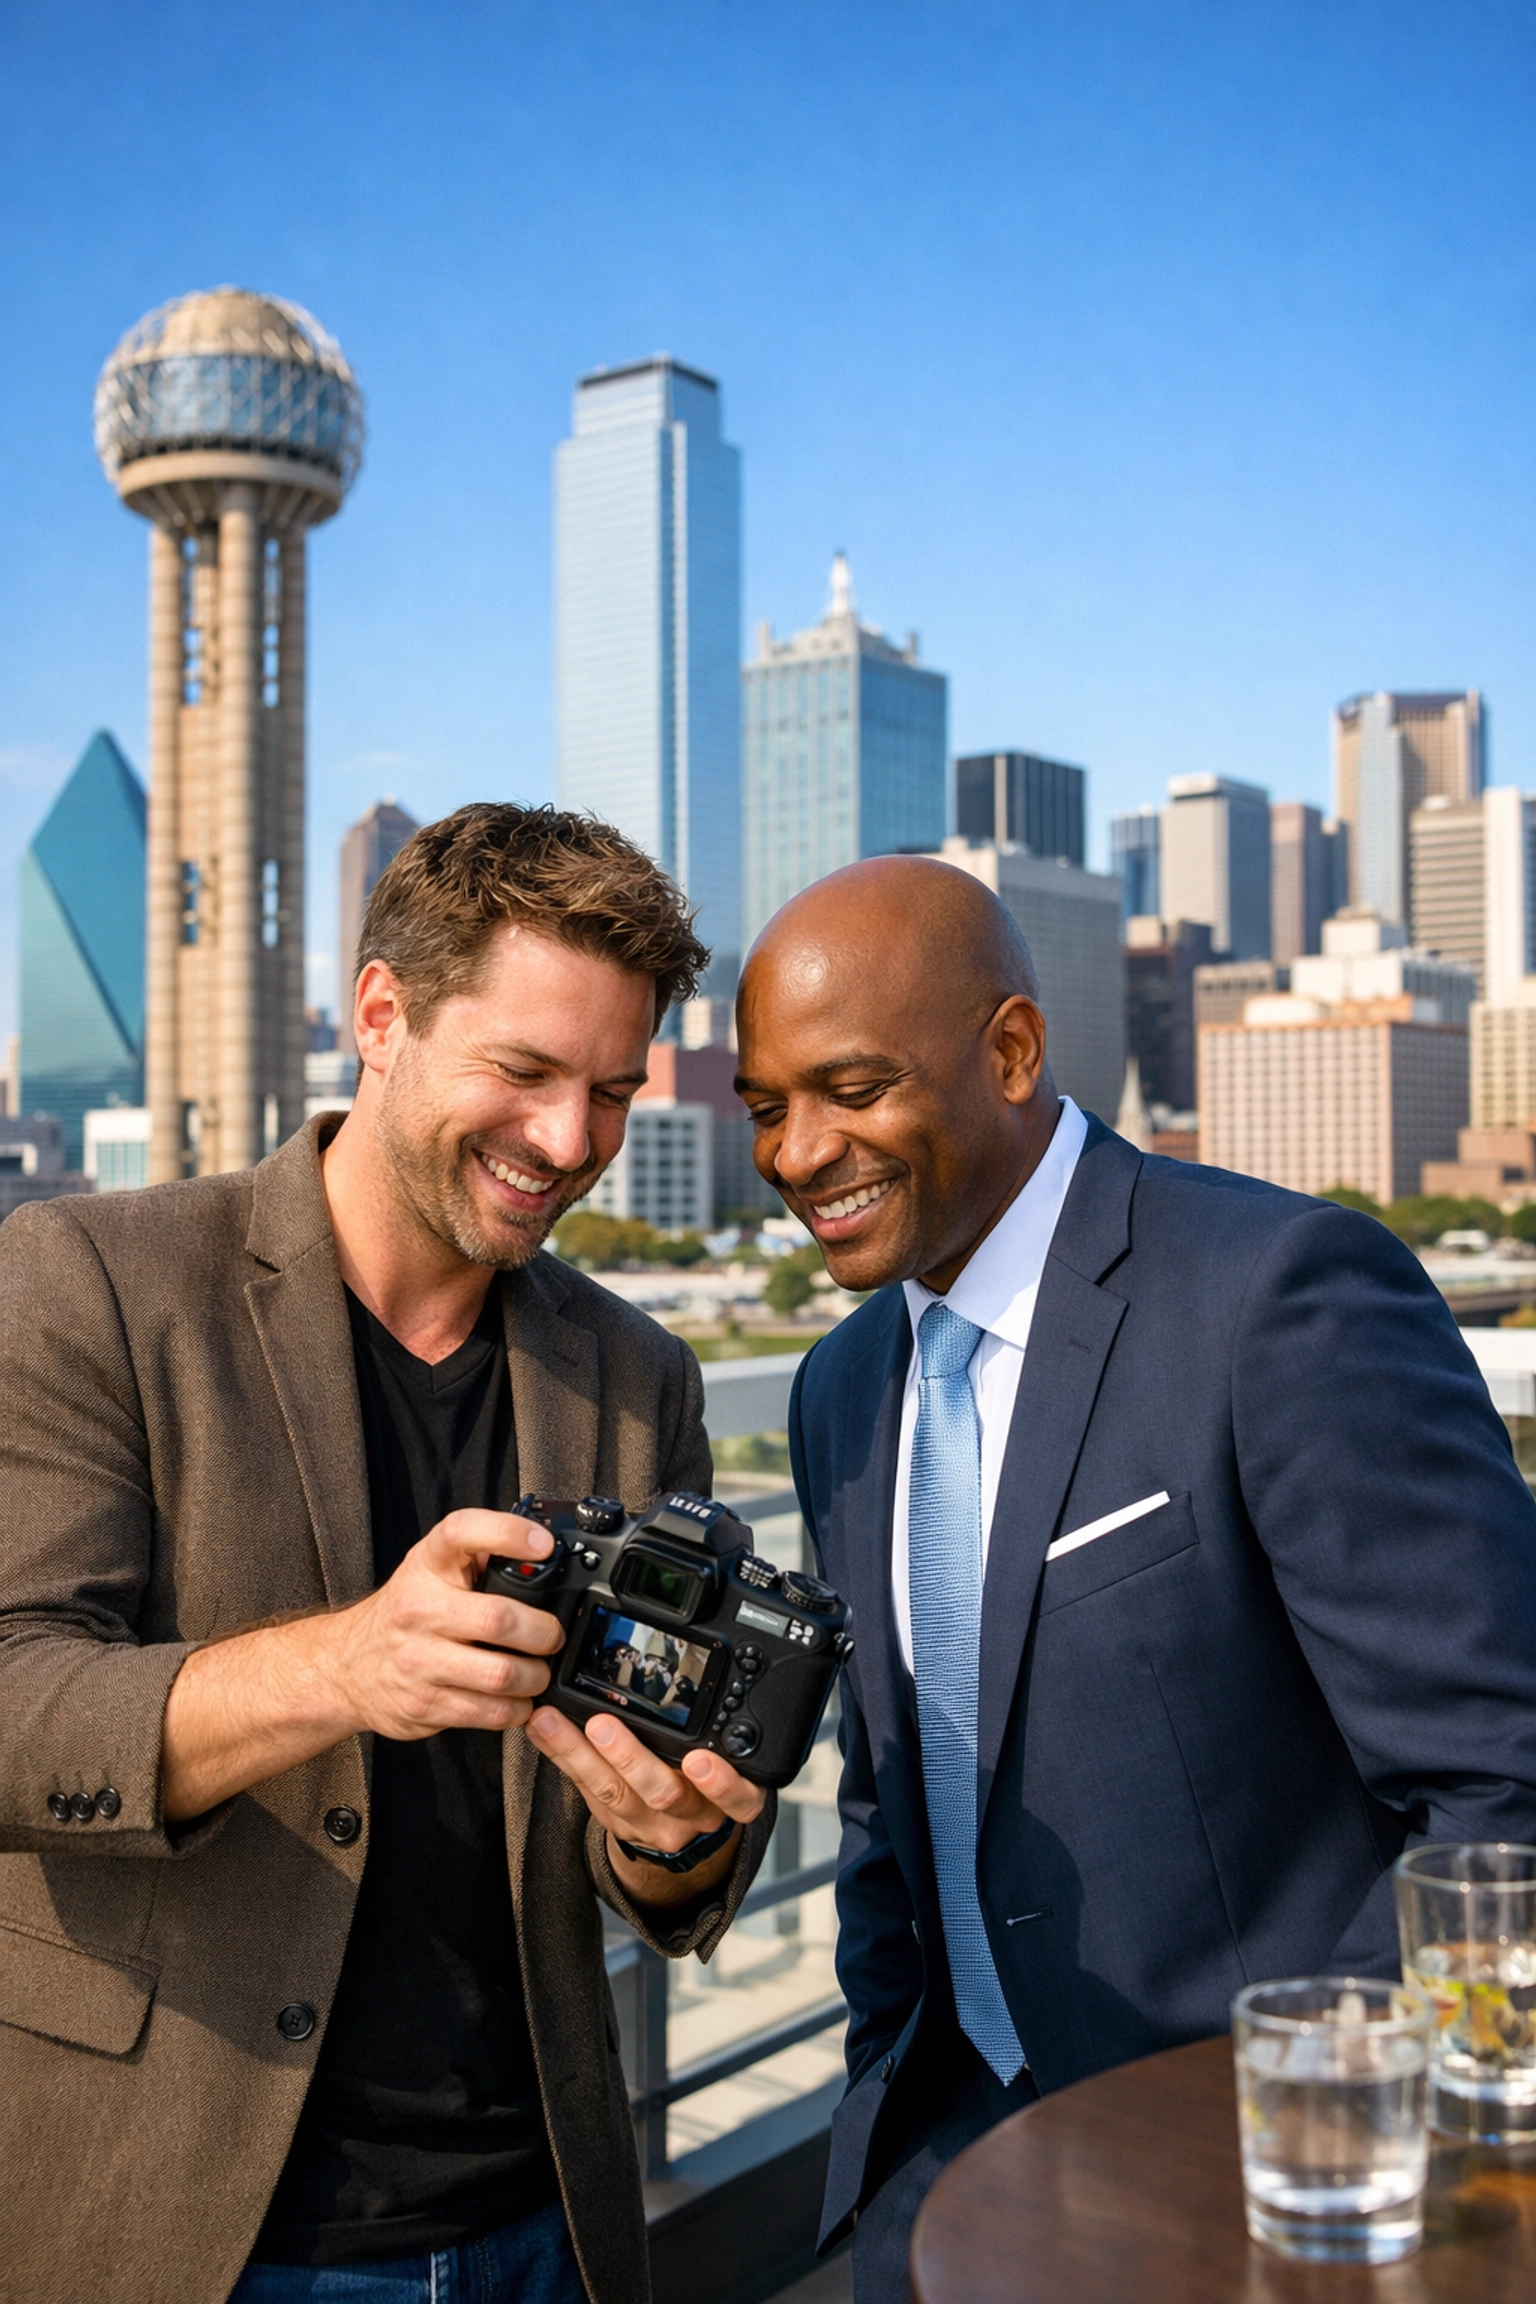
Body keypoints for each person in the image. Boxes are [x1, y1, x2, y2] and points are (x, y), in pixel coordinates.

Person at [0, 805, 774, 2304]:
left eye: (612, 1092)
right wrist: (343, 1666)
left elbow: (652, 1876)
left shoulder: (639, 1376)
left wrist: (671, 1836)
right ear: (379, 1016)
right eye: (525, 1072)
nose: (570, 1145)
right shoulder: (90, 1280)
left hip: (541, 2225)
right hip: (191, 2232)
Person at [733, 855, 1536, 2298]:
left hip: (1247, 2186)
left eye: (852, 1091)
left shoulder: (1276, 1295)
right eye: (766, 1110)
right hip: (947, 2181)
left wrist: (1300, 2120)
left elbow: (1502, 1780)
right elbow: (887, 1799)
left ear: (1015, 1051)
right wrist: (892, 2103)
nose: (798, 1153)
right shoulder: (839, 1388)